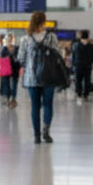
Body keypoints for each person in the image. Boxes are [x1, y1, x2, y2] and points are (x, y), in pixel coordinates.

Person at [18, 10, 59, 145]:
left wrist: (30, 65)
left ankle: (36, 135)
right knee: (48, 104)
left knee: (35, 106)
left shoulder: (25, 39)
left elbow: (21, 58)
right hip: (49, 76)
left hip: (31, 77)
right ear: (44, 21)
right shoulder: (51, 37)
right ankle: (46, 132)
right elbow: (57, 56)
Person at [71, 30, 93, 101]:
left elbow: (73, 56)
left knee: (78, 80)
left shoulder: (76, 45)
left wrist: (73, 64)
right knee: (87, 80)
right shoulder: (90, 46)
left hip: (78, 65)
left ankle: (79, 93)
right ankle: (86, 94)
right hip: (87, 65)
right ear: (87, 37)